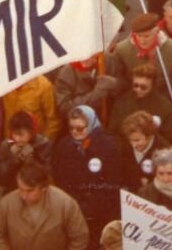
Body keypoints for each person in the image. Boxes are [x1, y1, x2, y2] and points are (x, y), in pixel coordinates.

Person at [52, 105, 122, 246]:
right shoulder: (63, 146)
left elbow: (113, 180)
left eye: (80, 128)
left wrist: (93, 203)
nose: (75, 132)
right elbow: (59, 177)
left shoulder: (108, 145)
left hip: (101, 210)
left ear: (91, 125)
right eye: (71, 128)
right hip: (73, 208)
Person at [0, 162, 89, 250]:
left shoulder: (65, 204)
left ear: (44, 189)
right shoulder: (6, 204)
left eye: (30, 191)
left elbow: (80, 236)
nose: (24, 196)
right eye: (21, 189)